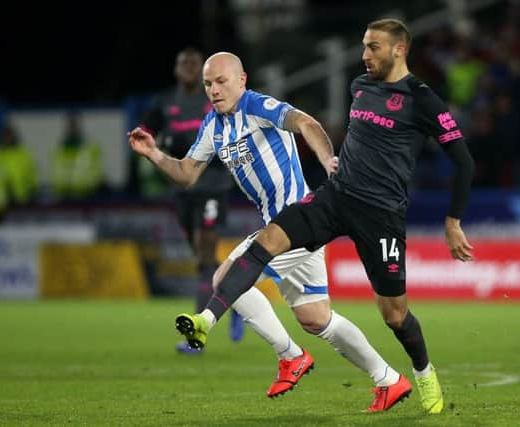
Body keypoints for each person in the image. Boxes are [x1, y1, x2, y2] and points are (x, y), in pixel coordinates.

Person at [174, 19, 476, 415]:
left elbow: (464, 162)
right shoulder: (360, 87)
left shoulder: (422, 99)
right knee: (267, 239)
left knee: (394, 315)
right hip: (335, 198)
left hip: (381, 215)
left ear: (400, 49)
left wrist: (452, 221)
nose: (365, 55)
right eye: (364, 46)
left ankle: (422, 372)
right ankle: (209, 321)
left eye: (374, 48)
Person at [129, 52, 413, 411]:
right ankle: (388, 379)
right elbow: (187, 173)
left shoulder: (258, 105)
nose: (214, 90)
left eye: (221, 81)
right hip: (280, 229)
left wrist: (327, 160)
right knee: (315, 317)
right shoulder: (213, 127)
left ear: (242, 79)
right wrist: (153, 154)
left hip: (300, 220)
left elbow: (306, 122)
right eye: (207, 84)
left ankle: (289, 355)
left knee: (225, 277)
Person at [139, 47, 244, 353]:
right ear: (175, 69)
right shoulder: (165, 102)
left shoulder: (214, 99)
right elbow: (146, 132)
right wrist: (147, 144)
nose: (188, 67)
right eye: (182, 62)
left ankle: (197, 333)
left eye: (193, 64)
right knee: (203, 260)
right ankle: (236, 299)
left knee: (204, 258)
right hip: (182, 190)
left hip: (213, 186)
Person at [51, 113, 102, 200]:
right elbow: (55, 176)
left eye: (74, 125)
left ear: (79, 127)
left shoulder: (91, 149)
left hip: (87, 197)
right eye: (70, 126)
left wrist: (83, 186)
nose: (72, 129)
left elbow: (96, 175)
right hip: (64, 198)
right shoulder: (59, 150)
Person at [0, 123, 37, 206]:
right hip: (3, 200)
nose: (7, 139)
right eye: (4, 136)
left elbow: (32, 173)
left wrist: (33, 190)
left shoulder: (23, 154)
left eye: (9, 136)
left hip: (23, 198)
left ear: (14, 136)